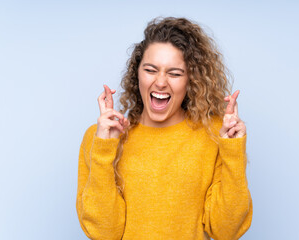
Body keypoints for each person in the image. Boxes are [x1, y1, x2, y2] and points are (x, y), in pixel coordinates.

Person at [76, 17, 252, 240]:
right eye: (150, 69)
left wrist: (233, 152)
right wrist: (103, 149)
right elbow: (103, 233)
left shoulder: (214, 134)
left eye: (175, 73)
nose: (160, 82)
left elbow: (227, 231)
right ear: (136, 73)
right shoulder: (100, 137)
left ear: (191, 80)